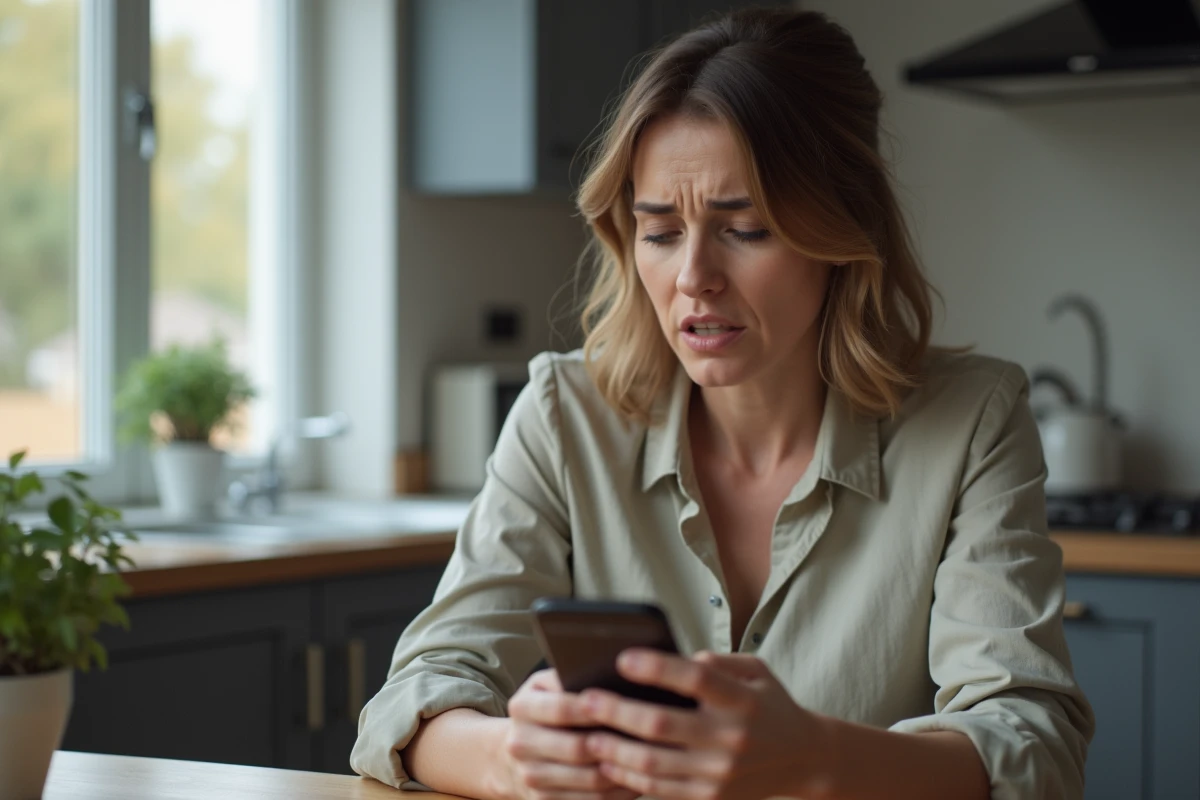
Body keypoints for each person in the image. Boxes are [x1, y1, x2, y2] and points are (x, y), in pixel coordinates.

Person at [351, 7, 1094, 799]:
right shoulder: (564, 414)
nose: (693, 276)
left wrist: (811, 758)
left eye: (746, 229)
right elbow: (411, 698)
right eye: (661, 232)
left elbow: (1033, 745)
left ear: (841, 230)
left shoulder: (972, 422)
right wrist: (512, 756)